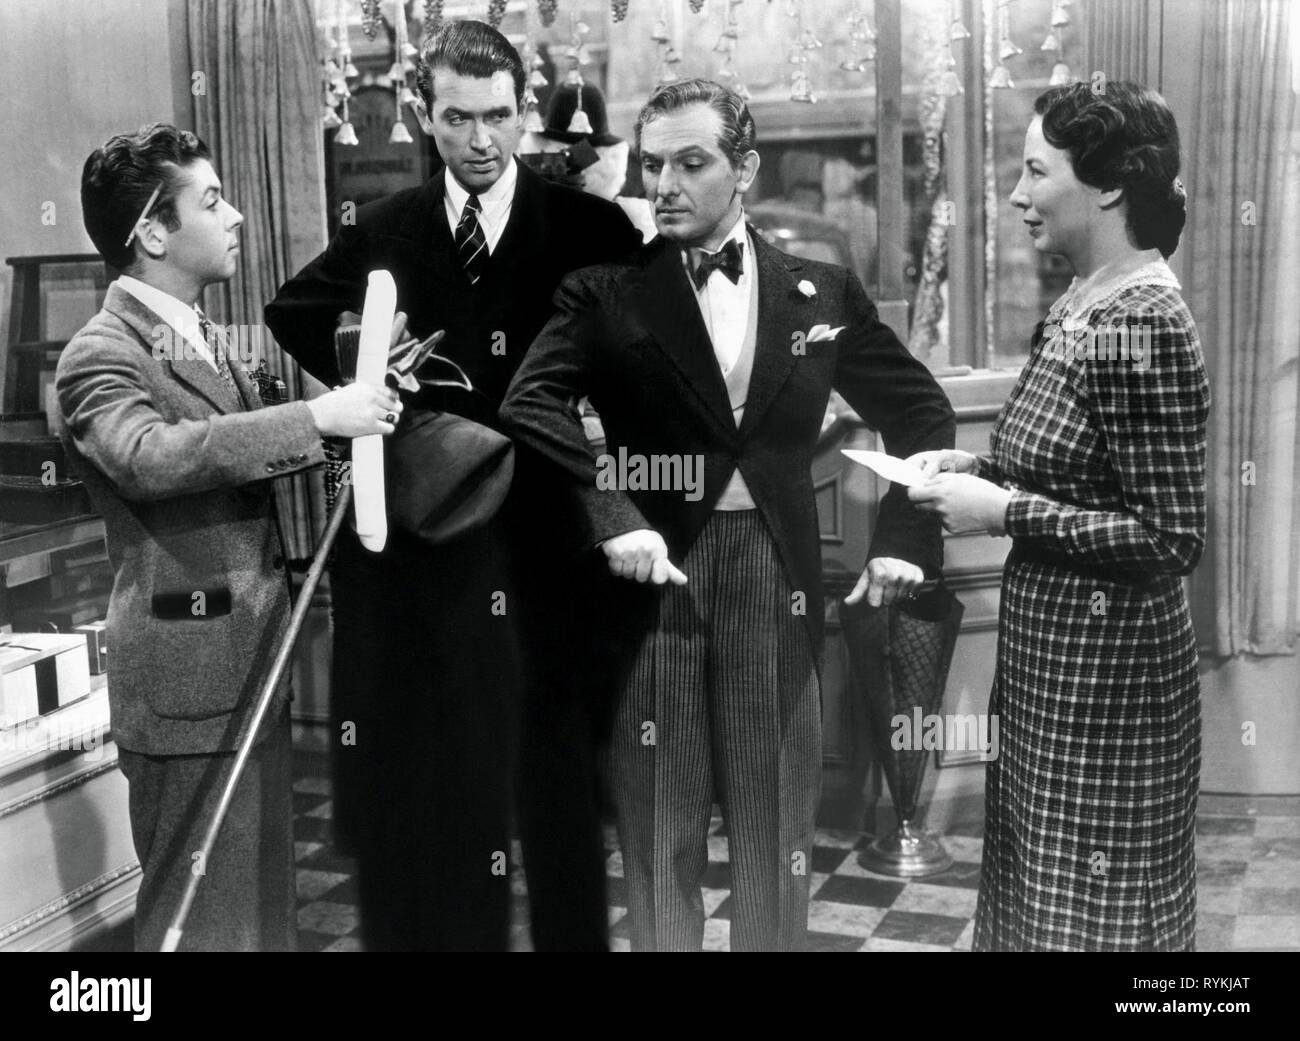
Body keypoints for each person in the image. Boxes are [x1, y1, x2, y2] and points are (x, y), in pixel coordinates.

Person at [500, 78, 956, 951]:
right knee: (659, 836)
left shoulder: (822, 292)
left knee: (775, 838)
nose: (665, 184)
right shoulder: (605, 292)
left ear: (744, 169)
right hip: (652, 587)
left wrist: (905, 536)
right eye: (652, 165)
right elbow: (531, 401)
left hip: (775, 582)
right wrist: (613, 513)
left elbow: (923, 414)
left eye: (691, 163)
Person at [264, 19, 641, 951]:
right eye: (459, 119)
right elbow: (289, 309)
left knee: (559, 799)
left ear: (523, 111)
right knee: (445, 799)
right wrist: (366, 363)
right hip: (429, 553)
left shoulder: (588, 228)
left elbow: (644, 367)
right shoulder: (383, 226)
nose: (481, 141)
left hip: (552, 553)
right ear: (425, 116)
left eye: (499, 117)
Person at [56, 123, 401, 951]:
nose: (236, 215)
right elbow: (149, 456)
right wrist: (317, 417)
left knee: (261, 918)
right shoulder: (99, 352)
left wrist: (357, 409)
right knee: (208, 924)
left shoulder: (209, 337)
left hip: (251, 670)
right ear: (153, 232)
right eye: (212, 201)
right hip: (187, 688)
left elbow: (257, 450)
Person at [906, 82, 1208, 951]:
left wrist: (1002, 510)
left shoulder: (1143, 322)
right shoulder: (1081, 302)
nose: (1016, 194)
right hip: (1052, 672)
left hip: (1113, 688)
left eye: (1036, 172)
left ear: (1108, 186)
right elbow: (1068, 471)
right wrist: (976, 469)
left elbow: (1169, 538)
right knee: (1039, 902)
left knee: (1093, 921)